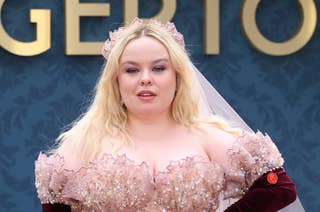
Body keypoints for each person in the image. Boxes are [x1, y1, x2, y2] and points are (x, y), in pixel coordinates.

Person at [35, 18, 299, 211]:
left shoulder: (206, 136)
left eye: (159, 68)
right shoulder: (84, 143)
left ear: (177, 76)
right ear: (115, 80)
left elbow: (279, 188)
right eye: (131, 70)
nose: (146, 79)